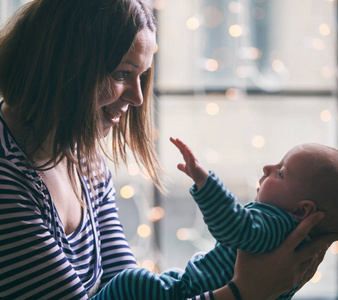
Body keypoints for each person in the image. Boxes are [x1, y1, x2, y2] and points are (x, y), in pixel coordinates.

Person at [0, 0, 335, 299]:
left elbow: (123, 286)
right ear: (64, 64)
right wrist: (243, 292)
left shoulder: (82, 158)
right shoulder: (8, 181)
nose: (137, 98)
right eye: (122, 74)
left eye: (142, 76)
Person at [167, 137, 338, 299]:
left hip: (190, 291)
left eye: (280, 173)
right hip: (203, 290)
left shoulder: (277, 225)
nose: (267, 167)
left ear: (302, 211)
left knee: (141, 284)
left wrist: (206, 183)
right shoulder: (291, 240)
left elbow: (233, 226)